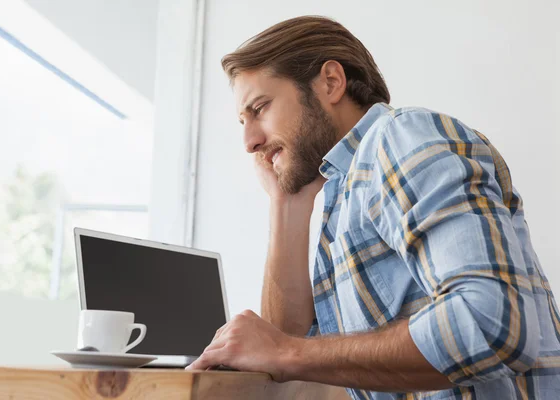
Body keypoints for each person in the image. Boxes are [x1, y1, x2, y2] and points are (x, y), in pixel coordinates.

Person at [185, 15, 560, 399]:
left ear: (331, 82)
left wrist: (285, 352)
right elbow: (288, 350)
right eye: (242, 121)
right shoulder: (345, 191)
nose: (249, 141)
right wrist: (285, 203)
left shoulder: (399, 138)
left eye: (260, 108)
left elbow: (493, 324)